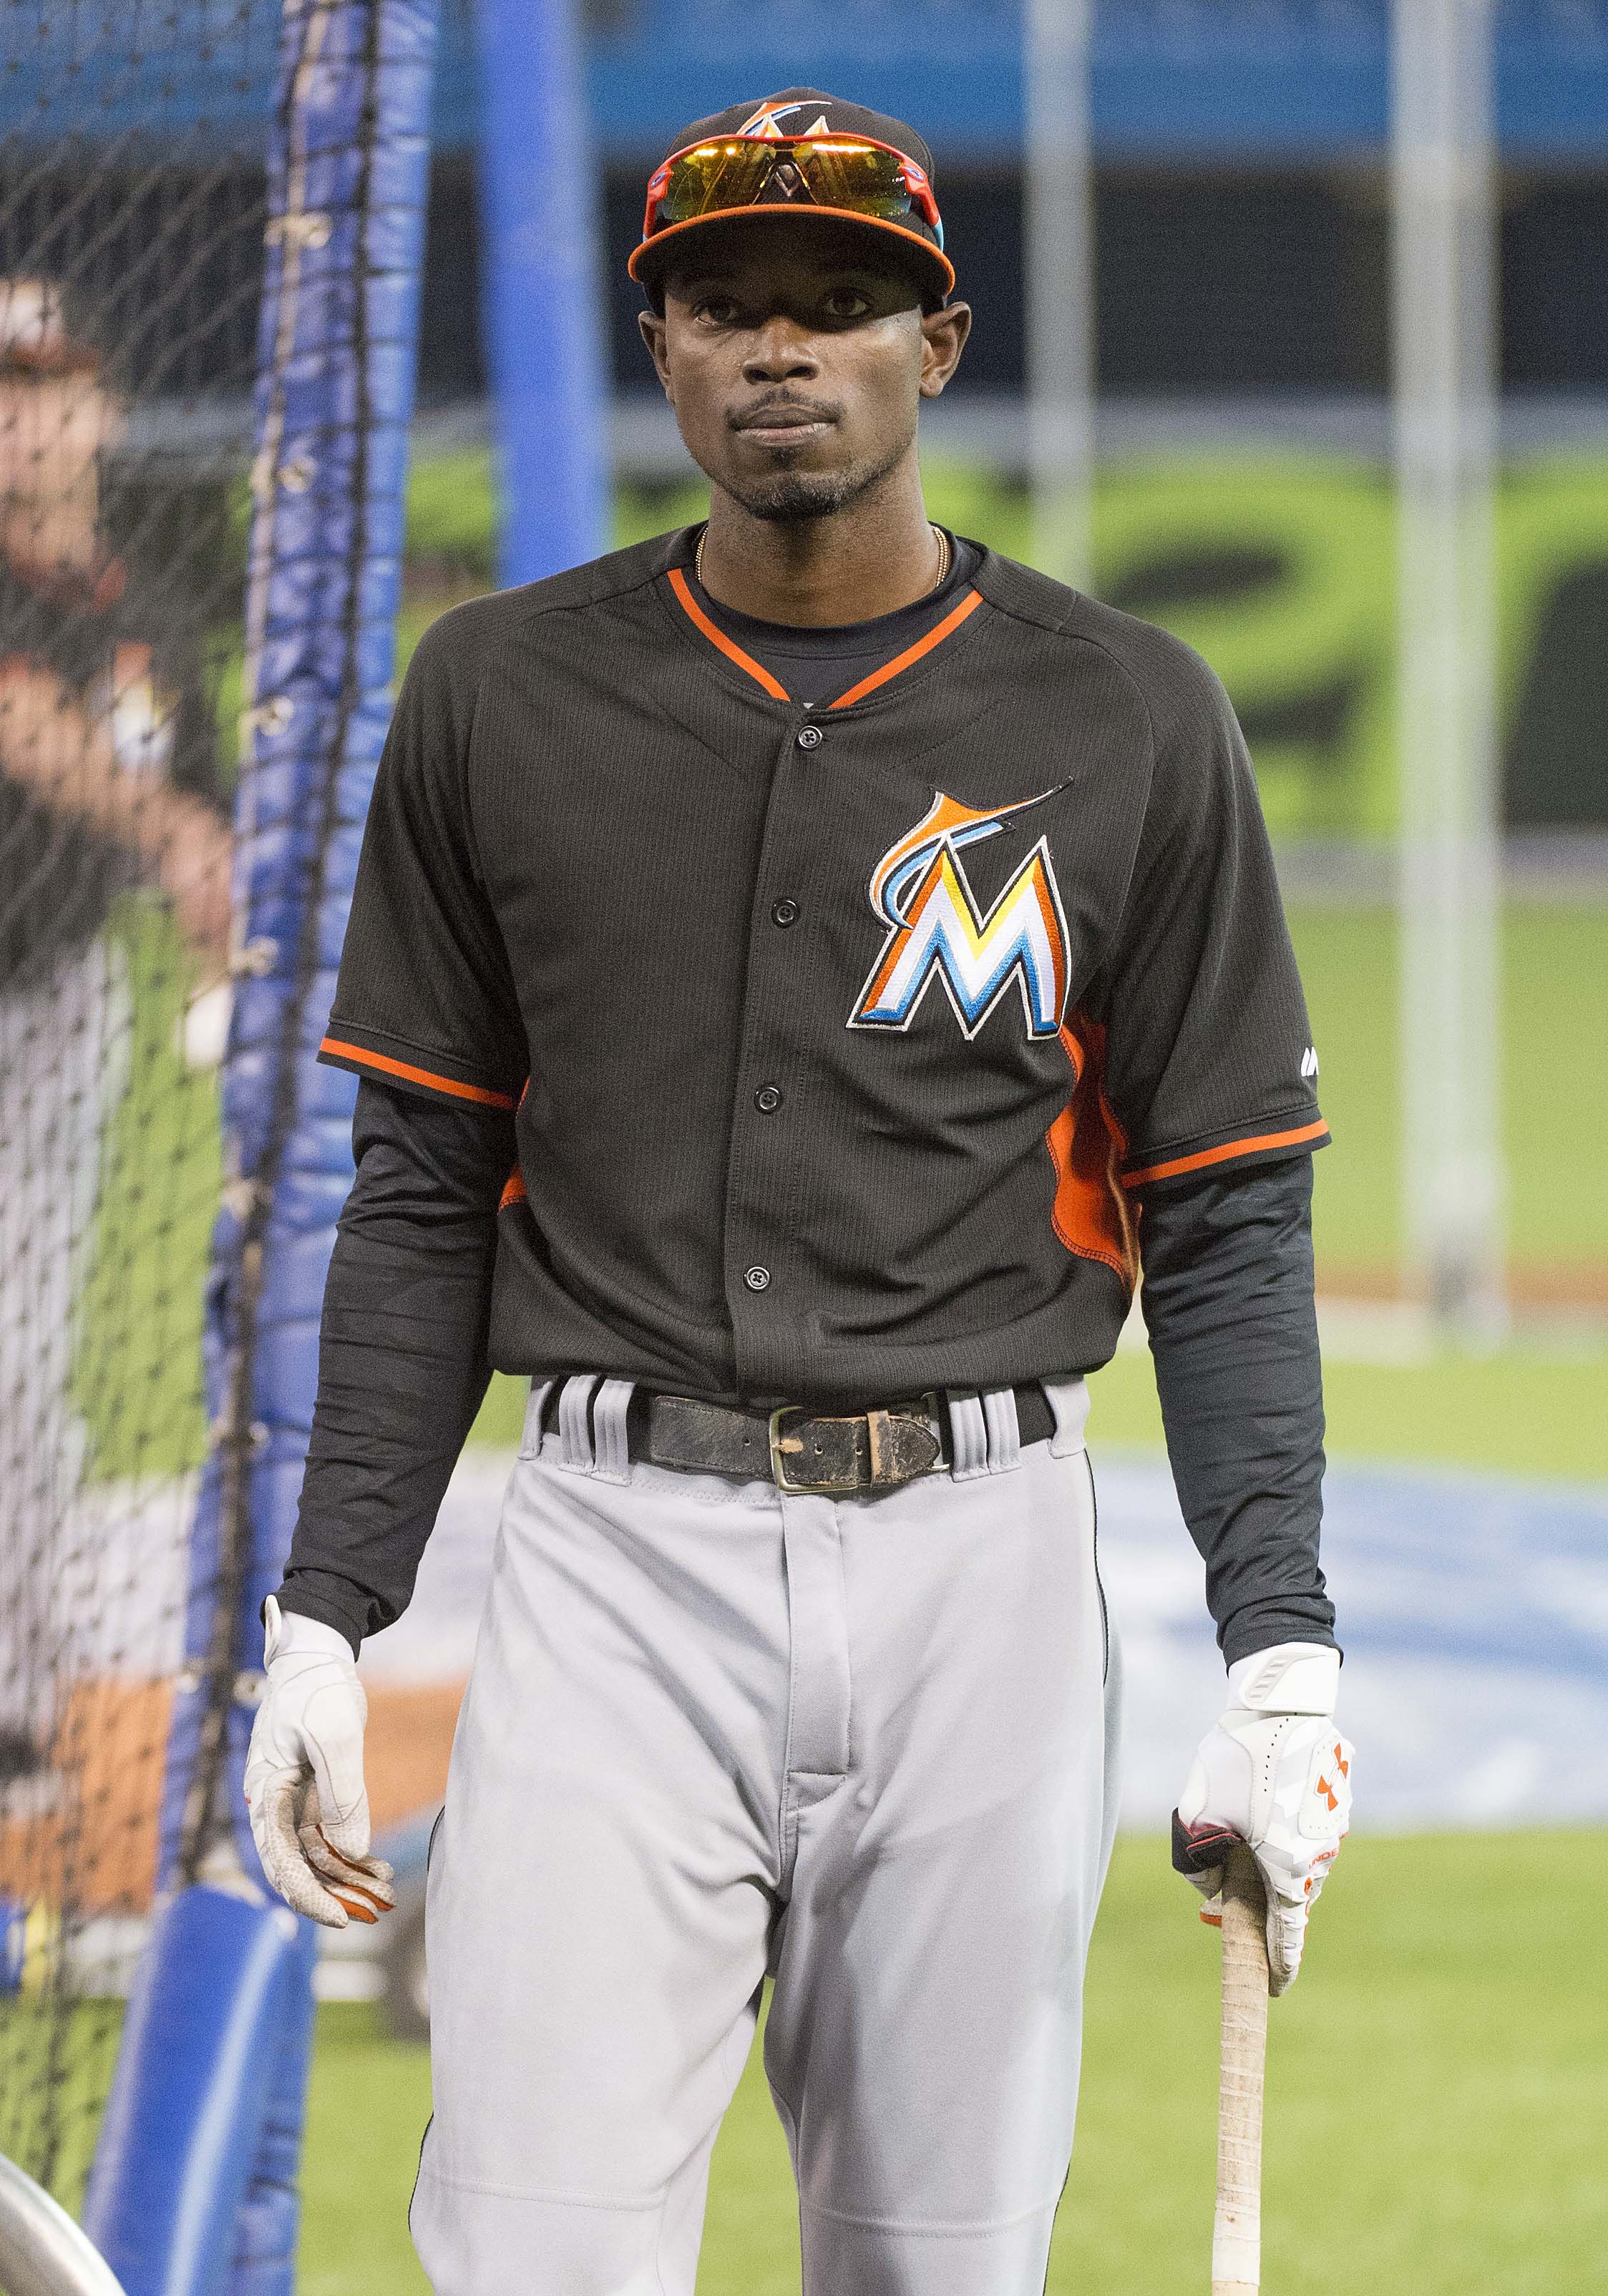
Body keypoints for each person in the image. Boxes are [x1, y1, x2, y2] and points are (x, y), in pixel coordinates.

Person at [245, 90, 1354, 2295]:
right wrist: (324, 1612)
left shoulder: (1131, 716)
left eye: (841, 299)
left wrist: (1286, 1645)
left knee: (935, 2266)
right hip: (608, 1567)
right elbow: (420, 1185)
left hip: (987, 1577)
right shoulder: (496, 696)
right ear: (656, 344)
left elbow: (1228, 1215)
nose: (784, 347)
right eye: (725, 301)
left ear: (935, 342)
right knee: (535, 2256)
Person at [0, 276, 231, 1778]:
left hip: (58, 1005)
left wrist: (219, 903)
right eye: (5, 389)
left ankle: (19, 1697)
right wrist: (164, 831)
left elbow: (212, 813)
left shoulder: (143, 612)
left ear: (101, 405)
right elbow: (17, 711)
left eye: (47, 382)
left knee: (32, 1345)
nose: (26, 415)